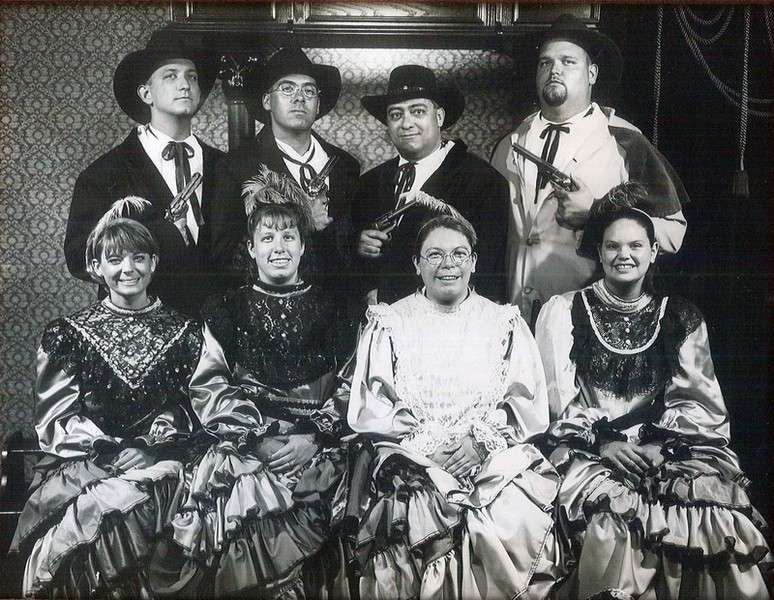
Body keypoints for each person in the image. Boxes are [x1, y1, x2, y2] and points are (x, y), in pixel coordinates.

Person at [534, 182, 772, 599]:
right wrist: (604, 443)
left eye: (635, 246)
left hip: (665, 449)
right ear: (599, 252)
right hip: (589, 450)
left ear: (653, 251)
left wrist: (663, 447)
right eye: (612, 246)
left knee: (713, 520)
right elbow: (557, 401)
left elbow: (699, 403)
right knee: (611, 523)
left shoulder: (680, 316)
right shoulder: (564, 311)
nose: (623, 255)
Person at [347, 215, 562, 599]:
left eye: (459, 254)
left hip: (490, 460)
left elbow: (525, 403)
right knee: (412, 515)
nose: (448, 264)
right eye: (434, 255)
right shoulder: (390, 323)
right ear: (416, 264)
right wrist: (425, 448)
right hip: (412, 458)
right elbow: (373, 406)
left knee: (510, 516)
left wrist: (480, 443)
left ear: (474, 262)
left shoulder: (504, 322)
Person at [150, 201, 352, 599]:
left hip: (318, 443)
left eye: (289, 236)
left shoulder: (337, 308)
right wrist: (257, 437)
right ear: (250, 247)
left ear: (303, 247)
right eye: (268, 237)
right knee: (244, 504)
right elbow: (210, 384)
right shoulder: (224, 308)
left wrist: (313, 436)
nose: (279, 246)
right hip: (248, 443)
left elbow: (351, 383)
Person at [10, 198, 202, 598]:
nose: (127, 269)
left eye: (138, 258)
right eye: (114, 259)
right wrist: (111, 451)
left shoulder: (187, 332)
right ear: (96, 267)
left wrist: (150, 447)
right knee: (97, 521)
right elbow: (56, 419)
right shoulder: (67, 334)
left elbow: (193, 405)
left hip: (164, 457)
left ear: (154, 263)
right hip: (89, 461)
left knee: (172, 505)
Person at [491, 14, 688, 326]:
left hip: (591, 321)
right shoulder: (508, 145)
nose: (554, 70)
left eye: (568, 62)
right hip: (515, 318)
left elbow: (672, 235)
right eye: (545, 63)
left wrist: (597, 215)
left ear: (592, 73)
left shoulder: (625, 141)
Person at [65, 28, 224, 317]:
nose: (185, 84)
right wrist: (162, 237)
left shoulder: (224, 166)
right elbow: (79, 257)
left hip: (217, 326)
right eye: (171, 76)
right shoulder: (104, 173)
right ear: (146, 93)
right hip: (139, 325)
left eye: (192, 76)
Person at [353, 65, 510, 305]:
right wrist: (361, 247)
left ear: (439, 117)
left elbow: (489, 274)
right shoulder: (369, 182)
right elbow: (354, 267)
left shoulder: (483, 181)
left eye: (417, 111)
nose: (406, 123)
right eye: (396, 114)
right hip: (381, 318)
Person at [209, 48, 360, 295]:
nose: (299, 98)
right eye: (287, 89)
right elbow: (223, 256)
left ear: (318, 104)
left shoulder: (345, 165)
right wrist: (301, 223)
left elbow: (353, 248)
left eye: (309, 91)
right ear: (267, 101)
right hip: (269, 304)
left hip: (340, 304)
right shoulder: (236, 167)